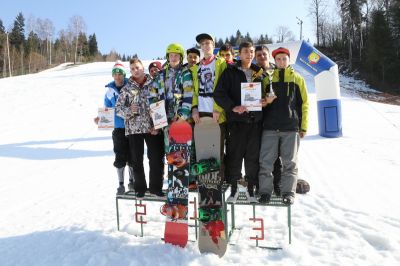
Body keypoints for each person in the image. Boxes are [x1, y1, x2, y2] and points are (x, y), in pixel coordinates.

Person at [214, 41, 264, 203]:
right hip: (236, 122)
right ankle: (234, 190)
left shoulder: (259, 73)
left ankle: (251, 190)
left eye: (251, 52)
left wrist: (265, 101)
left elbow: (267, 93)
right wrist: (233, 107)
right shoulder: (230, 72)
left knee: (252, 158)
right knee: (235, 157)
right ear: (239, 54)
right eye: (245, 52)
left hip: (254, 122)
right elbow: (219, 94)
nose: (249, 55)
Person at [258, 47, 309, 205]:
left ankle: (288, 193)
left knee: (290, 163)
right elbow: (259, 102)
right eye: (278, 59)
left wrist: (303, 126)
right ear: (274, 61)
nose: (281, 62)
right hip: (270, 127)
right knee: (266, 163)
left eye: (284, 59)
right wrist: (265, 100)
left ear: (288, 60)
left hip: (290, 127)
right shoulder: (267, 79)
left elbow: (304, 104)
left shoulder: (297, 79)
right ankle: (265, 192)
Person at [115, 58, 165, 199]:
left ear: (142, 67)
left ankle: (156, 188)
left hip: (152, 128)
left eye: (137, 67)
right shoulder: (126, 89)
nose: (135, 70)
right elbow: (118, 109)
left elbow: (161, 103)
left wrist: (159, 125)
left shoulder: (154, 84)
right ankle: (140, 188)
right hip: (134, 129)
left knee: (155, 158)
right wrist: (129, 110)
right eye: (132, 69)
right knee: (136, 160)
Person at [191, 33, 227, 182]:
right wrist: (194, 108)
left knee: (217, 150)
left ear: (213, 45)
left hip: (216, 113)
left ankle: (218, 181)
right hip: (201, 113)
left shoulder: (221, 63)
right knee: (203, 151)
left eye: (208, 43)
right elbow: (194, 90)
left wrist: (218, 109)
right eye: (203, 44)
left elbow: (225, 87)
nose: (205, 46)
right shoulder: (196, 68)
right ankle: (205, 182)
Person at [94, 61, 132, 195]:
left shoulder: (131, 86)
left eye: (120, 74)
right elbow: (107, 109)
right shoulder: (109, 91)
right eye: (115, 74)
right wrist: (100, 118)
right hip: (118, 128)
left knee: (133, 155)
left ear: (124, 74)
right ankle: (121, 184)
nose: (118, 76)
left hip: (132, 127)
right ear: (112, 75)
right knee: (120, 155)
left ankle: (132, 182)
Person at [255, 45, 282, 196]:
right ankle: (261, 185)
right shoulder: (252, 73)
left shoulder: (277, 71)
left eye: (264, 54)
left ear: (268, 56)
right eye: (258, 55)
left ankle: (278, 184)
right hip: (257, 120)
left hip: (275, 119)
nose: (261, 57)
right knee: (259, 155)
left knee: (276, 155)